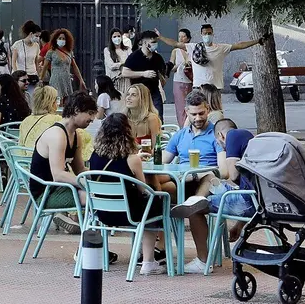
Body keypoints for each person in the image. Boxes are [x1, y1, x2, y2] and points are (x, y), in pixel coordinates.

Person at [89, 113, 167, 276]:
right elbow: (143, 189)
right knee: (156, 203)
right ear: (127, 132)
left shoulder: (94, 156)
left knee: (148, 205)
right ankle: (148, 261)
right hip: (129, 214)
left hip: (102, 213)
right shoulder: (132, 159)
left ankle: (145, 257)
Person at [160, 90, 227, 274]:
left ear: (208, 110)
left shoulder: (216, 135)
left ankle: (203, 260)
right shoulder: (180, 135)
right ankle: (152, 253)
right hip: (183, 182)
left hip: (208, 186)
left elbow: (223, 171)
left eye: (201, 113)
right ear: (186, 113)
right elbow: (163, 163)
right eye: (194, 114)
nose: (198, 117)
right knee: (158, 189)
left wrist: (197, 175)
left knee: (201, 193)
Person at [27, 92, 94, 216]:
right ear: (76, 110)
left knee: (103, 194)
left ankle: (77, 222)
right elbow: (58, 174)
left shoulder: (76, 136)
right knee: (95, 197)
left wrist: (101, 176)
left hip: (61, 188)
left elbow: (80, 169)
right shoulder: (57, 135)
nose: (92, 119)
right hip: (46, 194)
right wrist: (86, 184)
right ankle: (85, 226)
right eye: (90, 113)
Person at [157, 24, 266, 89]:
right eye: (205, 34)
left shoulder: (221, 48)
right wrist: (160, 37)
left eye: (209, 33)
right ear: (201, 35)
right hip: (198, 87)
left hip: (215, 87)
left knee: (215, 114)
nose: (207, 36)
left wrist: (257, 41)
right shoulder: (194, 47)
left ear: (213, 34)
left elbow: (239, 45)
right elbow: (175, 44)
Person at [206, 119, 256, 233]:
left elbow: (233, 175)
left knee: (200, 204)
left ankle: (210, 250)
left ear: (220, 135)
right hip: (259, 200)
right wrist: (239, 225)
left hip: (249, 200)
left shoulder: (232, 135)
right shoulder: (247, 136)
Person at [120, 30, 168, 119]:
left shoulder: (157, 57)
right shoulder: (134, 56)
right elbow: (125, 72)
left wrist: (163, 79)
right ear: (145, 43)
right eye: (152, 42)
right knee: (139, 118)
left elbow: (163, 72)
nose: (155, 45)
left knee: (158, 117)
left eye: (156, 42)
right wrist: (143, 74)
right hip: (138, 92)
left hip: (154, 91)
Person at [40, 29, 86, 105]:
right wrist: (41, 79)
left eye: (63, 39)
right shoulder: (51, 52)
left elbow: (75, 67)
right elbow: (45, 67)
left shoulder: (69, 52)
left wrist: (81, 79)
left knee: (68, 102)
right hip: (56, 79)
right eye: (60, 38)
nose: (62, 40)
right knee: (57, 101)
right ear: (55, 39)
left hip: (67, 79)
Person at [169, 29, 194, 126]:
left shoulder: (191, 50)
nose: (181, 38)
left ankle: (191, 125)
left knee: (190, 105)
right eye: (179, 36)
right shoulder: (175, 51)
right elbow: (171, 68)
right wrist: (179, 65)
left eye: (183, 36)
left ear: (188, 38)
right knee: (180, 107)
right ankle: (182, 127)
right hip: (179, 80)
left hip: (190, 80)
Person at [10, 21, 43, 94]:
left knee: (31, 97)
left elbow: (36, 62)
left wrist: (39, 76)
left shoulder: (36, 46)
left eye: (39, 36)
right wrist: (16, 74)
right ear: (31, 34)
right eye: (36, 36)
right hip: (20, 77)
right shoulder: (17, 44)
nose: (38, 38)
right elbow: (13, 62)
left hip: (32, 76)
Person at [104, 29, 130, 98]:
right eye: (114, 37)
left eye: (119, 36)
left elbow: (131, 62)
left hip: (126, 80)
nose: (117, 38)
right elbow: (111, 65)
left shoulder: (127, 49)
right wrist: (122, 64)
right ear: (111, 38)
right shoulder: (107, 50)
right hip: (114, 81)